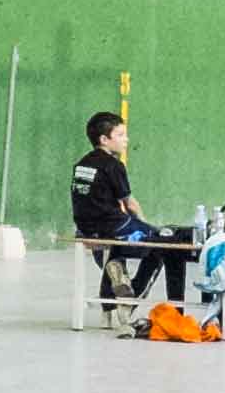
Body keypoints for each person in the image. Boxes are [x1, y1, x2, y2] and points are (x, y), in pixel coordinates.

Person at [70, 111, 185, 304]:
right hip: (114, 226)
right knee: (162, 243)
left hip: (85, 228)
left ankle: (113, 286)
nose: (126, 140)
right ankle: (132, 294)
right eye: (121, 135)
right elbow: (129, 203)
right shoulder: (113, 166)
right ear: (104, 139)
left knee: (110, 252)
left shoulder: (81, 165)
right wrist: (146, 225)